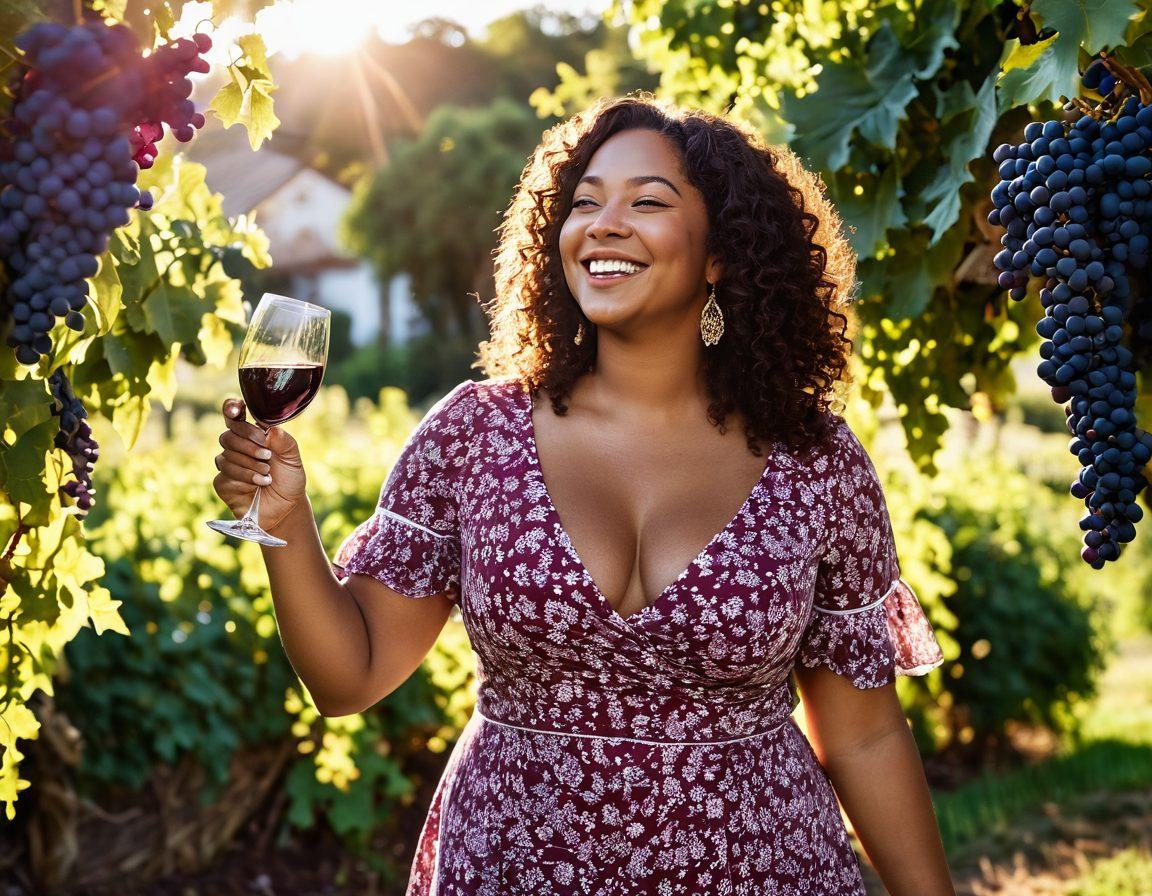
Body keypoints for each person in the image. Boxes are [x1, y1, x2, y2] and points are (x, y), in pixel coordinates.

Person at [213, 93, 952, 896]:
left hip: (762, 873)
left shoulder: (816, 463)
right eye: (585, 203)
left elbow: (865, 738)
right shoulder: (475, 435)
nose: (603, 225)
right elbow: (348, 677)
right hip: (511, 871)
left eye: (648, 203)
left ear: (721, 254)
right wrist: (286, 522)